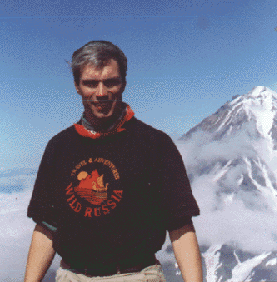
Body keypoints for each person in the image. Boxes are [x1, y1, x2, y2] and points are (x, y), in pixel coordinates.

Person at [24, 41, 203, 282]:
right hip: (72, 277)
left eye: (110, 82)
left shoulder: (155, 145)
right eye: (90, 83)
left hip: (136, 276)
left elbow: (180, 226)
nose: (101, 93)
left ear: (124, 83)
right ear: (77, 86)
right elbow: (46, 228)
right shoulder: (59, 147)